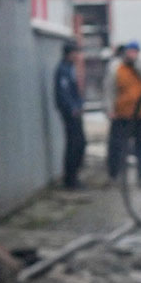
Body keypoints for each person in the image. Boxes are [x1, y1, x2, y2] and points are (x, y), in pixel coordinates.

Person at [106, 40, 141, 186]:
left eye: (135, 52)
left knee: (140, 147)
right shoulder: (116, 68)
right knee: (117, 145)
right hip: (122, 114)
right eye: (130, 51)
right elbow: (109, 90)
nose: (132, 54)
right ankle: (114, 175)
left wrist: (137, 63)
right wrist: (109, 109)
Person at [53, 44, 87, 189]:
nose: (78, 56)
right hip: (70, 113)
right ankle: (70, 180)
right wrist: (72, 108)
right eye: (76, 53)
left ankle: (74, 176)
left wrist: (79, 105)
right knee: (74, 145)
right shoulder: (63, 70)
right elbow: (63, 93)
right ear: (69, 54)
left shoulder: (71, 68)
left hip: (76, 111)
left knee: (80, 143)